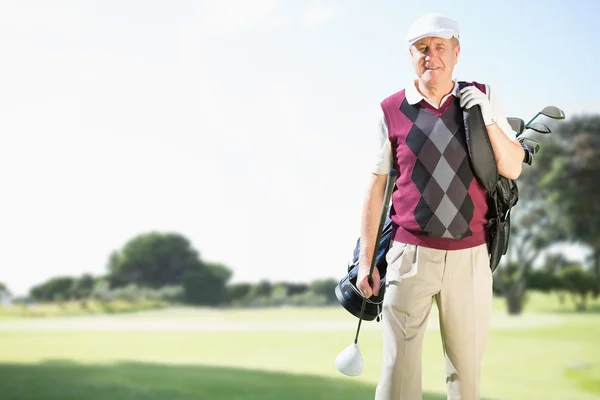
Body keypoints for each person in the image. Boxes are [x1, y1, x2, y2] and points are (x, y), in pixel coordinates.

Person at [355, 13, 525, 400]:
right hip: (408, 257)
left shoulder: (483, 96)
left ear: (457, 52)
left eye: (440, 48)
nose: (431, 56)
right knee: (398, 374)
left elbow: (512, 166)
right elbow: (375, 187)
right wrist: (366, 262)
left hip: (469, 259)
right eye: (422, 49)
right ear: (410, 54)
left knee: (466, 376)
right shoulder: (391, 109)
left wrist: (487, 118)